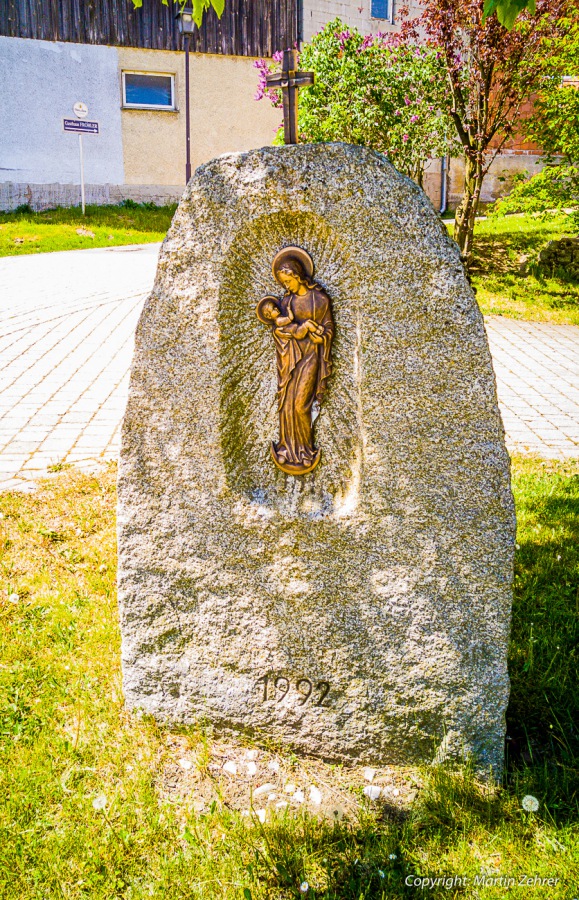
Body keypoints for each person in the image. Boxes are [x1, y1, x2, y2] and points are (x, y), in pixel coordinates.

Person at [257, 255, 334, 474]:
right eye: (282, 283)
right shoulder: (286, 302)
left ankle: (305, 451)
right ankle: (287, 449)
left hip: (310, 358)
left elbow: (328, 327)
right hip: (290, 362)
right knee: (287, 405)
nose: (285, 286)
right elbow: (280, 331)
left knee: (301, 405)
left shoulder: (319, 300)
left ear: (297, 275)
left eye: (288, 281)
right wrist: (289, 333)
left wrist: (322, 338)